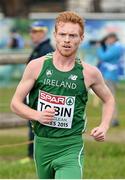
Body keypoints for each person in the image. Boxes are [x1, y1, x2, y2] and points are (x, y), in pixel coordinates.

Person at [11, 11, 115, 179]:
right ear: (55, 36)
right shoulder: (36, 66)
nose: (67, 40)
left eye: (73, 35)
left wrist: (104, 126)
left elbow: (109, 99)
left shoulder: (89, 73)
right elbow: (15, 103)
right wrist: (37, 115)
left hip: (71, 146)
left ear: (81, 39)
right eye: (63, 34)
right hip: (42, 144)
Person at [24, 20, 54, 162]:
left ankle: (35, 156)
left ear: (43, 32)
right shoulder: (39, 48)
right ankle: (32, 155)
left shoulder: (46, 49)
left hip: (40, 97)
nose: (32, 34)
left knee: (37, 126)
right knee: (33, 124)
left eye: (35, 31)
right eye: (31, 31)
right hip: (33, 94)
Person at [97, 33, 123, 127]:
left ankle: (113, 119)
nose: (108, 41)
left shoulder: (116, 48)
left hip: (110, 76)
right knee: (108, 98)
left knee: (109, 98)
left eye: (109, 39)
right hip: (110, 75)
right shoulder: (116, 47)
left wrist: (100, 48)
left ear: (113, 38)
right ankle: (111, 119)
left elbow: (104, 57)